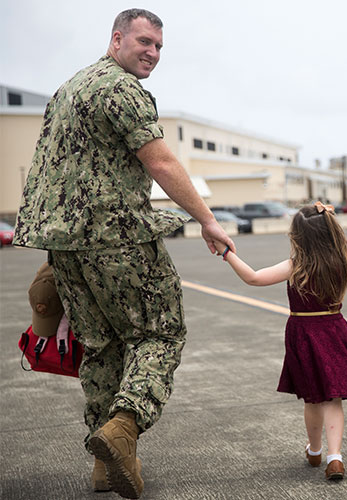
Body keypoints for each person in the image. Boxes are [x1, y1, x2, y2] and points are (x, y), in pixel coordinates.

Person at [13, 9, 235, 499]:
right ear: (116, 39)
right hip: (117, 238)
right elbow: (159, 160)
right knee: (161, 332)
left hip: (66, 245)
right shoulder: (121, 89)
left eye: (158, 46)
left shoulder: (70, 88)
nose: (152, 52)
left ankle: (105, 465)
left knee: (103, 347)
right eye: (144, 41)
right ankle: (123, 427)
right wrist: (208, 219)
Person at [213, 202, 347, 480]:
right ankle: (335, 457)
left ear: (298, 237)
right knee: (333, 397)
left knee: (313, 397)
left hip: (303, 334)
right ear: (332, 233)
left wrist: (226, 253)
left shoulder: (296, 266)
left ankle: (315, 450)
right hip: (334, 331)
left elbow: (253, 278)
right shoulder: (339, 265)